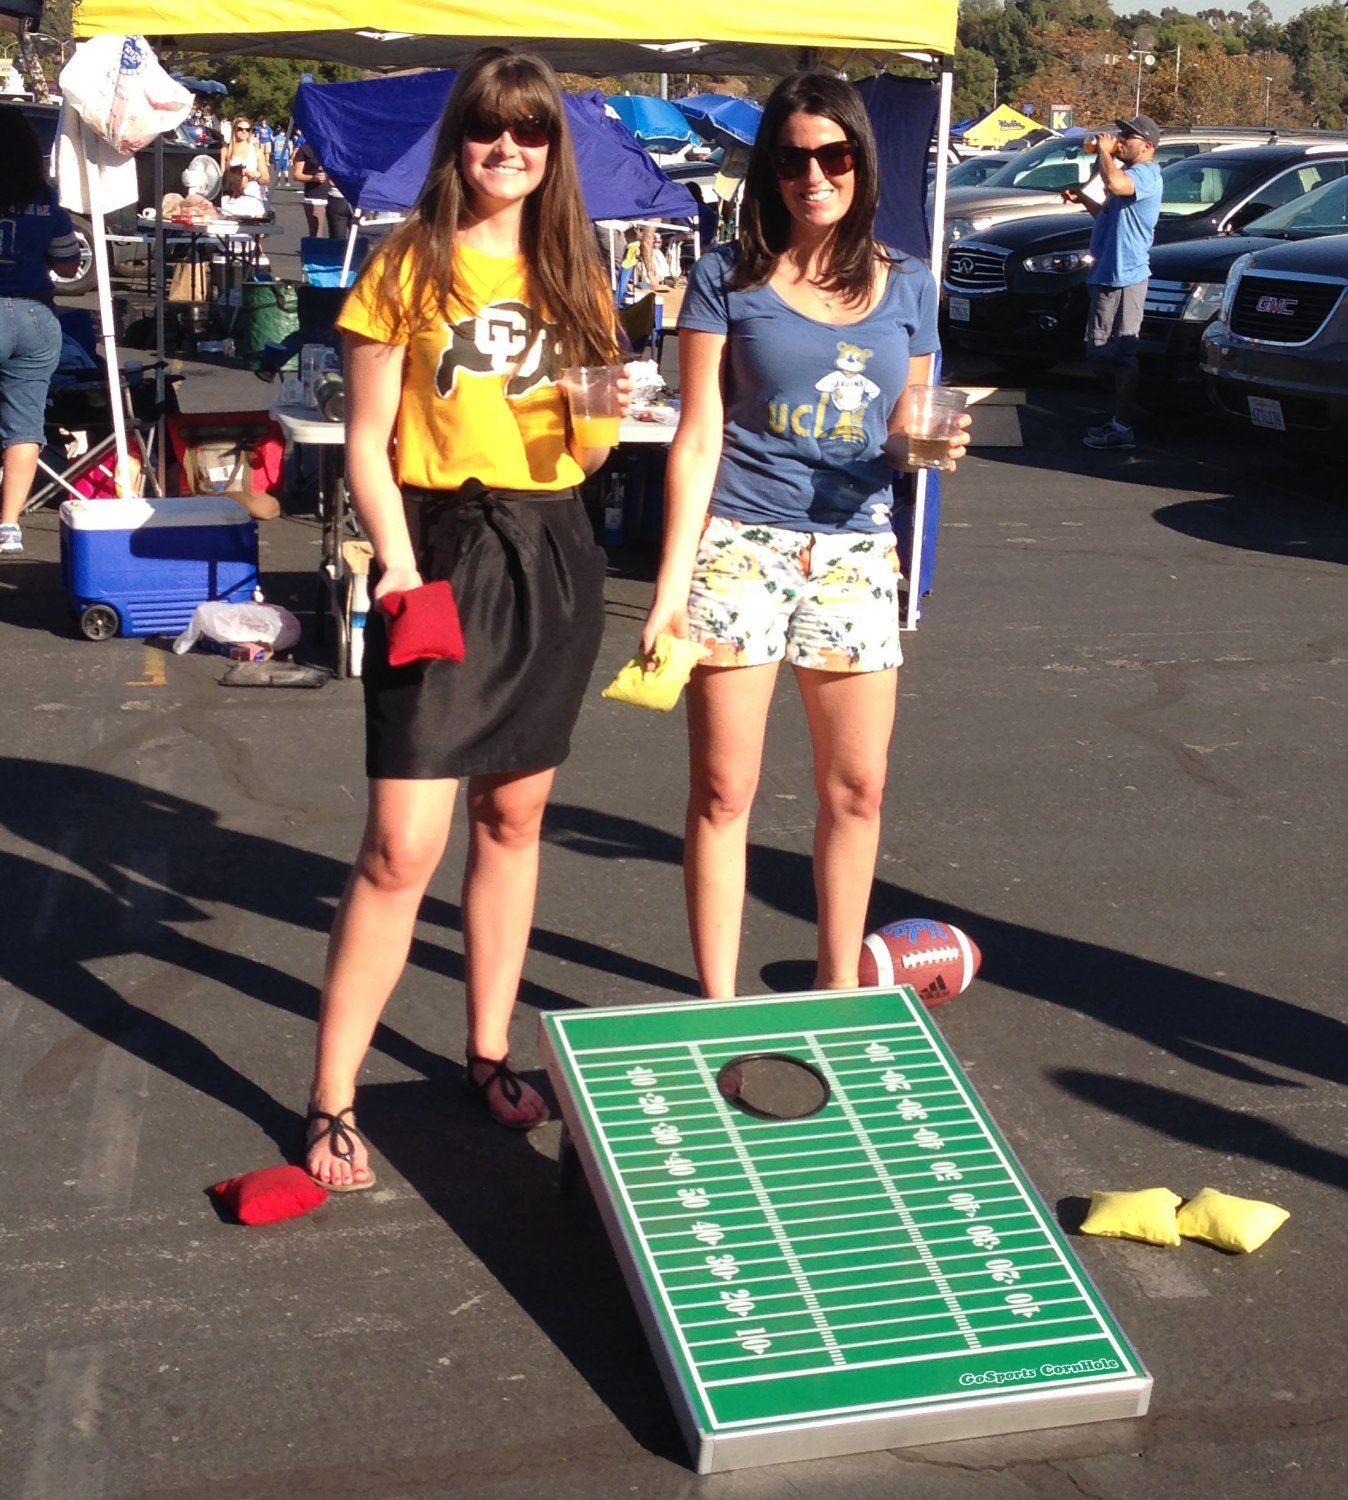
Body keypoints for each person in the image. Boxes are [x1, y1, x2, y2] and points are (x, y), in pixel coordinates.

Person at [303, 48, 628, 1191]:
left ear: (553, 150)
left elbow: (590, 448)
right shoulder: (407, 264)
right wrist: (395, 562)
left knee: (515, 821)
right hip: (435, 549)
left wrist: (602, 421)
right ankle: (332, 1095)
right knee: (402, 845)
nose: (508, 152)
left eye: (530, 133)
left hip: (553, 550)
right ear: (461, 140)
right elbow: (365, 442)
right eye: (490, 131)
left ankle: (487, 1050)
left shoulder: (578, 271)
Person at [641, 73, 971, 1000]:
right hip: (741, 544)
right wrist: (669, 592)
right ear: (769, 172)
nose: (813, 175)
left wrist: (929, 443)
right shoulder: (726, 277)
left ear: (862, 163)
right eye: (791, 159)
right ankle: (716, 1003)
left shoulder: (907, 281)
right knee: (724, 794)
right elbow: (698, 433)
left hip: (856, 548)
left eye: (834, 155)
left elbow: (910, 425)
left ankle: (836, 993)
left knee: (856, 791)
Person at [0, 107, 80, 557]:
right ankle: (8, 525)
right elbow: (69, 265)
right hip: (33, 314)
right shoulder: (47, 200)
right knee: (24, 424)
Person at [1061, 114, 1162, 452]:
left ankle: (1123, 425)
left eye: (1127, 136)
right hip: (1106, 274)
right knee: (1099, 351)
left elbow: (1117, 185)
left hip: (1127, 277)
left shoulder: (1145, 174)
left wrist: (1103, 153)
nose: (1120, 140)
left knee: (1118, 353)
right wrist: (1084, 199)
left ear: (1146, 146)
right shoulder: (1129, 176)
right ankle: (1123, 416)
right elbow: (1109, 214)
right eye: (1119, 135)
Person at [220, 116, 270, 208]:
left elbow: (266, 178)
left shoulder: (256, 151)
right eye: (240, 129)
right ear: (234, 130)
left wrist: (256, 175)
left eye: (247, 129)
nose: (244, 132)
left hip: (252, 194)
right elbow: (221, 176)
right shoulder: (226, 150)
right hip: (231, 195)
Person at [627, 223, 671, 299]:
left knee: (657, 261)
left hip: (648, 252)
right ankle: (645, 283)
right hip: (638, 252)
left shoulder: (657, 249)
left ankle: (657, 281)